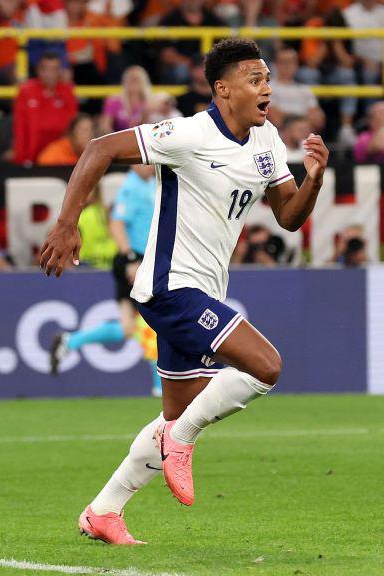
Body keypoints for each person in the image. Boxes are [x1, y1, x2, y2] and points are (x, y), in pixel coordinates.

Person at [39, 38, 329, 544]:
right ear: (223, 89)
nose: (266, 89)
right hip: (171, 288)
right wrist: (67, 224)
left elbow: (287, 217)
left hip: (206, 292)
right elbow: (99, 148)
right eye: (255, 80)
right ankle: (181, 439)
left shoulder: (265, 141)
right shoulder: (189, 134)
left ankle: (104, 512)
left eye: (267, 80)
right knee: (266, 367)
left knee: (174, 412)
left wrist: (314, 181)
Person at [49, 164, 163, 397]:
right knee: (153, 323)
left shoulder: (150, 183)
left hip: (142, 260)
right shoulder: (131, 188)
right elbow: (116, 223)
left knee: (128, 327)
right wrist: (131, 258)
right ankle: (159, 387)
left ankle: (70, 341)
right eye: (146, 161)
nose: (151, 165)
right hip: (135, 260)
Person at [13, 51, 78, 165]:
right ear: (38, 70)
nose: (50, 73)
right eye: (46, 69)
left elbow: (72, 127)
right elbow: (20, 127)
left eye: (54, 69)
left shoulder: (67, 91)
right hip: (31, 156)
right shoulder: (26, 91)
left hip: (60, 158)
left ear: (60, 72)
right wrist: (22, 158)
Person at [268, 47, 325, 131]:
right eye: (283, 62)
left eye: (291, 62)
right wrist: (304, 117)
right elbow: (276, 120)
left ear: (297, 65)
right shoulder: (267, 88)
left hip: (304, 136)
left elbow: (318, 121)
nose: (287, 66)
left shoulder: (305, 89)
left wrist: (287, 116)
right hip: (279, 136)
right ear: (275, 65)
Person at [98, 66, 151, 135]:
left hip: (144, 141)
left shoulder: (150, 102)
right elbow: (105, 126)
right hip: (118, 141)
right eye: (131, 79)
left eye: (137, 80)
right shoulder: (114, 101)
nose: (134, 83)